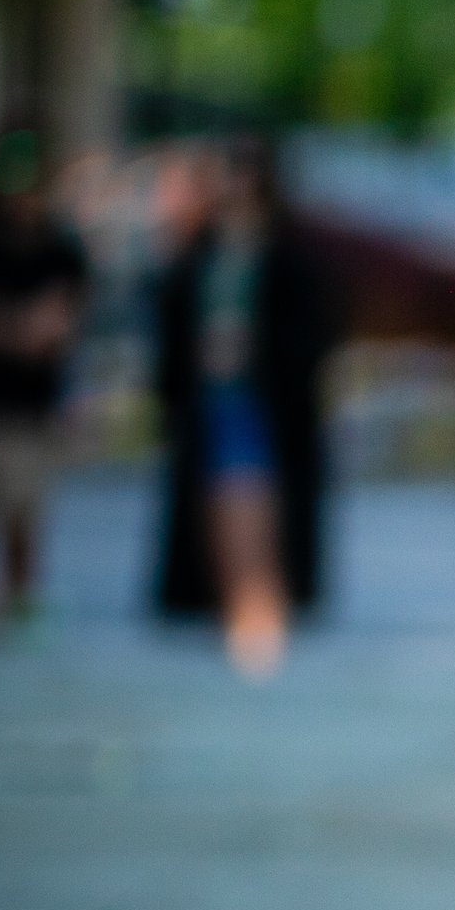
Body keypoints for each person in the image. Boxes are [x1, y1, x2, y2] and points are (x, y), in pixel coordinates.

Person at [152, 135, 334, 672]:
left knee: (252, 495)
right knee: (219, 497)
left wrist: (255, 353)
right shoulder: (203, 253)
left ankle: (258, 606)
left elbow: (308, 331)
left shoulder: (286, 254)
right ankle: (232, 600)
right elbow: (175, 324)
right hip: (212, 398)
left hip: (265, 400)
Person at [0, 132, 89, 627]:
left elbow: (53, 332)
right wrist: (17, 326)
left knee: (21, 516)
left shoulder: (60, 245)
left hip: (29, 409)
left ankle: (16, 603)